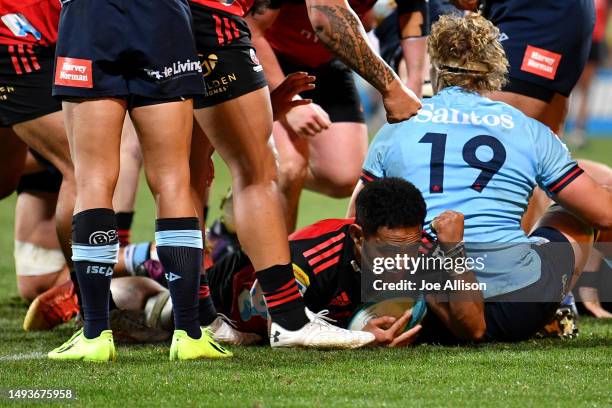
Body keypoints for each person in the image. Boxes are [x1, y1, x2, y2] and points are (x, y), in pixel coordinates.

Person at [350, 14, 612, 342]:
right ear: (496, 67)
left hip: (429, 312)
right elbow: (604, 213)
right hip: (515, 307)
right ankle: (561, 305)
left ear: (436, 66)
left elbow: (355, 217)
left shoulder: (398, 127)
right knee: (576, 213)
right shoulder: (528, 129)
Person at [47, 0, 231, 362]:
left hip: (90, 20)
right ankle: (190, 334)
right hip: (163, 19)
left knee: (93, 179)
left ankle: (96, 334)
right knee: (173, 179)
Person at [246, 0, 422, 230]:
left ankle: (255, 168)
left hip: (328, 61)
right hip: (272, 57)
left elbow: (411, 12)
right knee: (289, 168)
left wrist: (414, 82)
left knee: (343, 177)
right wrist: (293, 102)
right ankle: (273, 262)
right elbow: (250, 28)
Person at [567, 0, 609, 148]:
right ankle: (575, 131)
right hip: (580, 38)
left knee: (582, 90)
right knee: (569, 88)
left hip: (592, 40)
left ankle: (578, 130)